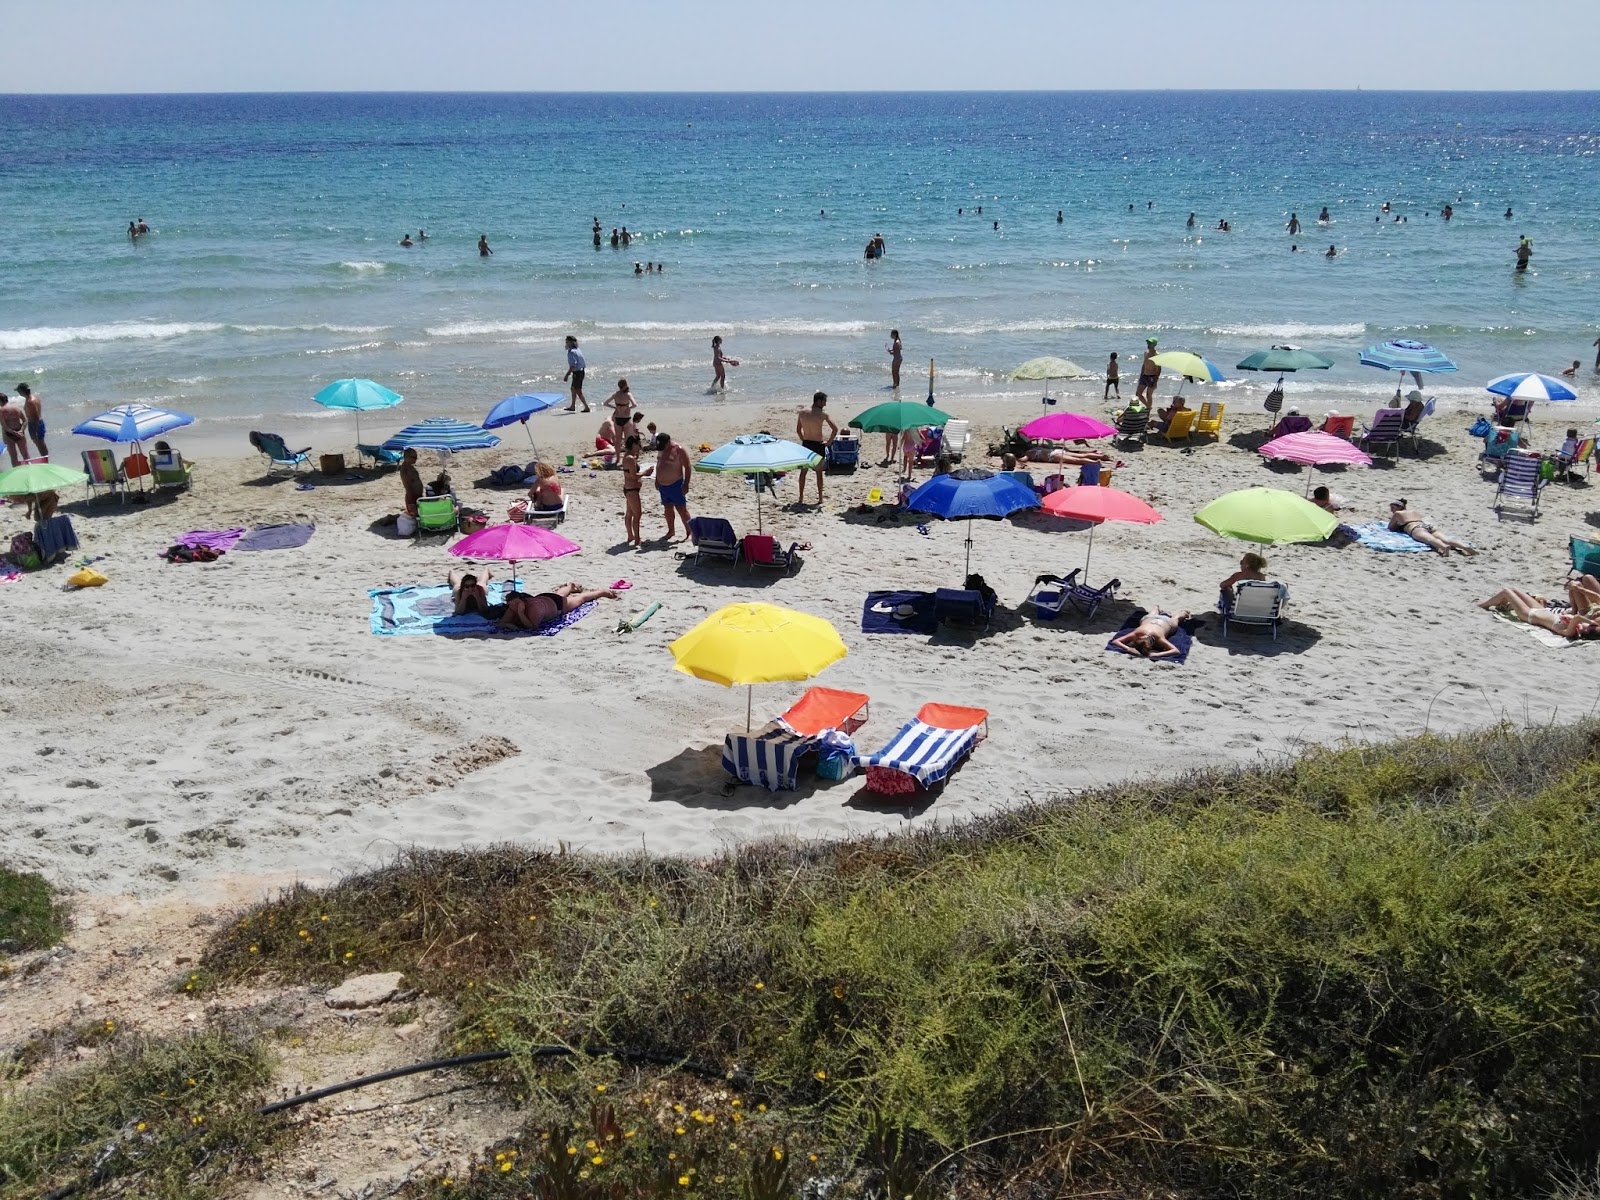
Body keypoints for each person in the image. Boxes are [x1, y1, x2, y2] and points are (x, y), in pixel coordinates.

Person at [1477, 581, 1600, 641]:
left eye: (1589, 626)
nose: (1588, 623)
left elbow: (1578, 618)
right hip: (1541, 610)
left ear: (1586, 631)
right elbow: (1577, 618)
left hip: (1529, 615)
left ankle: (1484, 605)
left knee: (1506, 591)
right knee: (1514, 589)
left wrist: (1590, 623)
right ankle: (1499, 602)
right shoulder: (1575, 626)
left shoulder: (1570, 632)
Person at [499, 582, 621, 631]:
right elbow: (501, 623)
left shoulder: (534, 608)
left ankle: (600, 592)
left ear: (523, 601)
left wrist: (520, 613)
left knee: (579, 599)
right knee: (559, 594)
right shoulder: (513, 606)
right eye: (512, 605)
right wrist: (509, 623)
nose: (514, 606)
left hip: (556, 604)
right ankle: (570, 586)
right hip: (546, 597)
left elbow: (532, 627)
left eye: (516, 603)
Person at [795, 391, 838, 506]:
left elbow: (798, 430)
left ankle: (800, 497)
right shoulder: (822, 414)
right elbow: (835, 429)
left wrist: (803, 440)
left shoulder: (802, 412)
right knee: (818, 473)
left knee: (803, 472)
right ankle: (820, 498)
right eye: (824, 401)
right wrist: (829, 442)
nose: (825, 404)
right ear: (819, 401)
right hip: (818, 445)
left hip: (807, 444)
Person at [1388, 500, 1474, 556]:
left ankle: (1444, 547)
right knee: (1447, 539)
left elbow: (1391, 528)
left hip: (1416, 528)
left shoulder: (1398, 513)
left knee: (1431, 540)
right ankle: (1465, 547)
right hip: (1428, 525)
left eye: (1393, 507)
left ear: (1400, 507)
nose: (1391, 510)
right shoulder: (1413, 511)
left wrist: (1398, 525)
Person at [653, 431, 692, 539]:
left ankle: (690, 531)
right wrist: (657, 479)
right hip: (663, 485)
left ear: (668, 442)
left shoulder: (678, 449)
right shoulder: (661, 450)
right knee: (667, 508)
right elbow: (659, 464)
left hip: (675, 484)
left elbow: (688, 466)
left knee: (681, 509)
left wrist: (686, 484)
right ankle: (671, 531)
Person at [1110, 609, 1191, 659]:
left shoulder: (1142, 634)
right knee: (1175, 618)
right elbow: (1175, 650)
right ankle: (1180, 612)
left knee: (1175, 619)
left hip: (1163, 622)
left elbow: (1176, 651)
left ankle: (1158, 608)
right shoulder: (1139, 634)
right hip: (1154, 620)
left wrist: (1158, 654)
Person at [620, 434, 646, 548]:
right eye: (638, 444)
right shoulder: (629, 458)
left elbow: (634, 462)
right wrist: (646, 473)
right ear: (634, 444)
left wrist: (638, 451)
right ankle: (637, 539)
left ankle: (631, 536)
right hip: (632, 489)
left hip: (630, 489)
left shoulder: (629, 456)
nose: (640, 446)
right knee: (637, 514)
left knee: (630, 513)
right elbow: (634, 476)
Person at [563, 335, 590, 412]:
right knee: (573, 389)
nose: (565, 343)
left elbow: (573, 365)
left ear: (570, 343)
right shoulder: (577, 350)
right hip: (581, 371)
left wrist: (567, 375)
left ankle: (586, 407)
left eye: (566, 342)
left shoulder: (571, 352)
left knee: (578, 390)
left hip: (577, 373)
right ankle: (572, 406)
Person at [18, 383, 45, 459]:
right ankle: (45, 458)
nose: (19, 393)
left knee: (39, 443)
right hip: (38, 422)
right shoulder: (34, 398)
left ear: (22, 391)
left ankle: (45, 459)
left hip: (34, 423)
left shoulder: (30, 401)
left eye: (19, 391)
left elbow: (35, 415)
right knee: (40, 443)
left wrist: (35, 428)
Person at [1135, 338, 1161, 404]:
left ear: (1154, 345)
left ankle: (1148, 408)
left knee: (1148, 395)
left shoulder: (1157, 355)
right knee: (1138, 394)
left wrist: (1155, 381)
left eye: (1150, 343)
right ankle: (1148, 407)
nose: (1148, 344)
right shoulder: (1146, 353)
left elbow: (1159, 369)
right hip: (1144, 376)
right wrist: (1141, 376)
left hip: (1152, 377)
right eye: (1148, 343)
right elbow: (1144, 365)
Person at [399, 448, 423, 516]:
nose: (416, 459)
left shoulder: (410, 467)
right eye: (414, 457)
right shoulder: (405, 470)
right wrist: (411, 503)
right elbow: (408, 487)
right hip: (412, 497)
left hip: (417, 496)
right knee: (415, 516)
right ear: (407, 457)